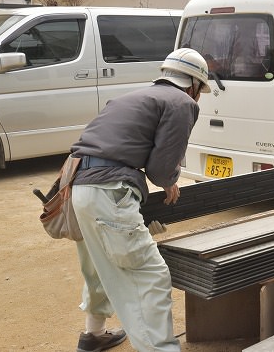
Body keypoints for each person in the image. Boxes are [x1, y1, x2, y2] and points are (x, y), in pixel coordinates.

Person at [68, 48, 210, 352]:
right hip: (110, 192)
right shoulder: (182, 102)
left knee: (98, 264)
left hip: (78, 187)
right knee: (149, 278)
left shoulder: (132, 97)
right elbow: (160, 169)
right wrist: (170, 179)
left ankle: (93, 334)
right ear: (193, 85)